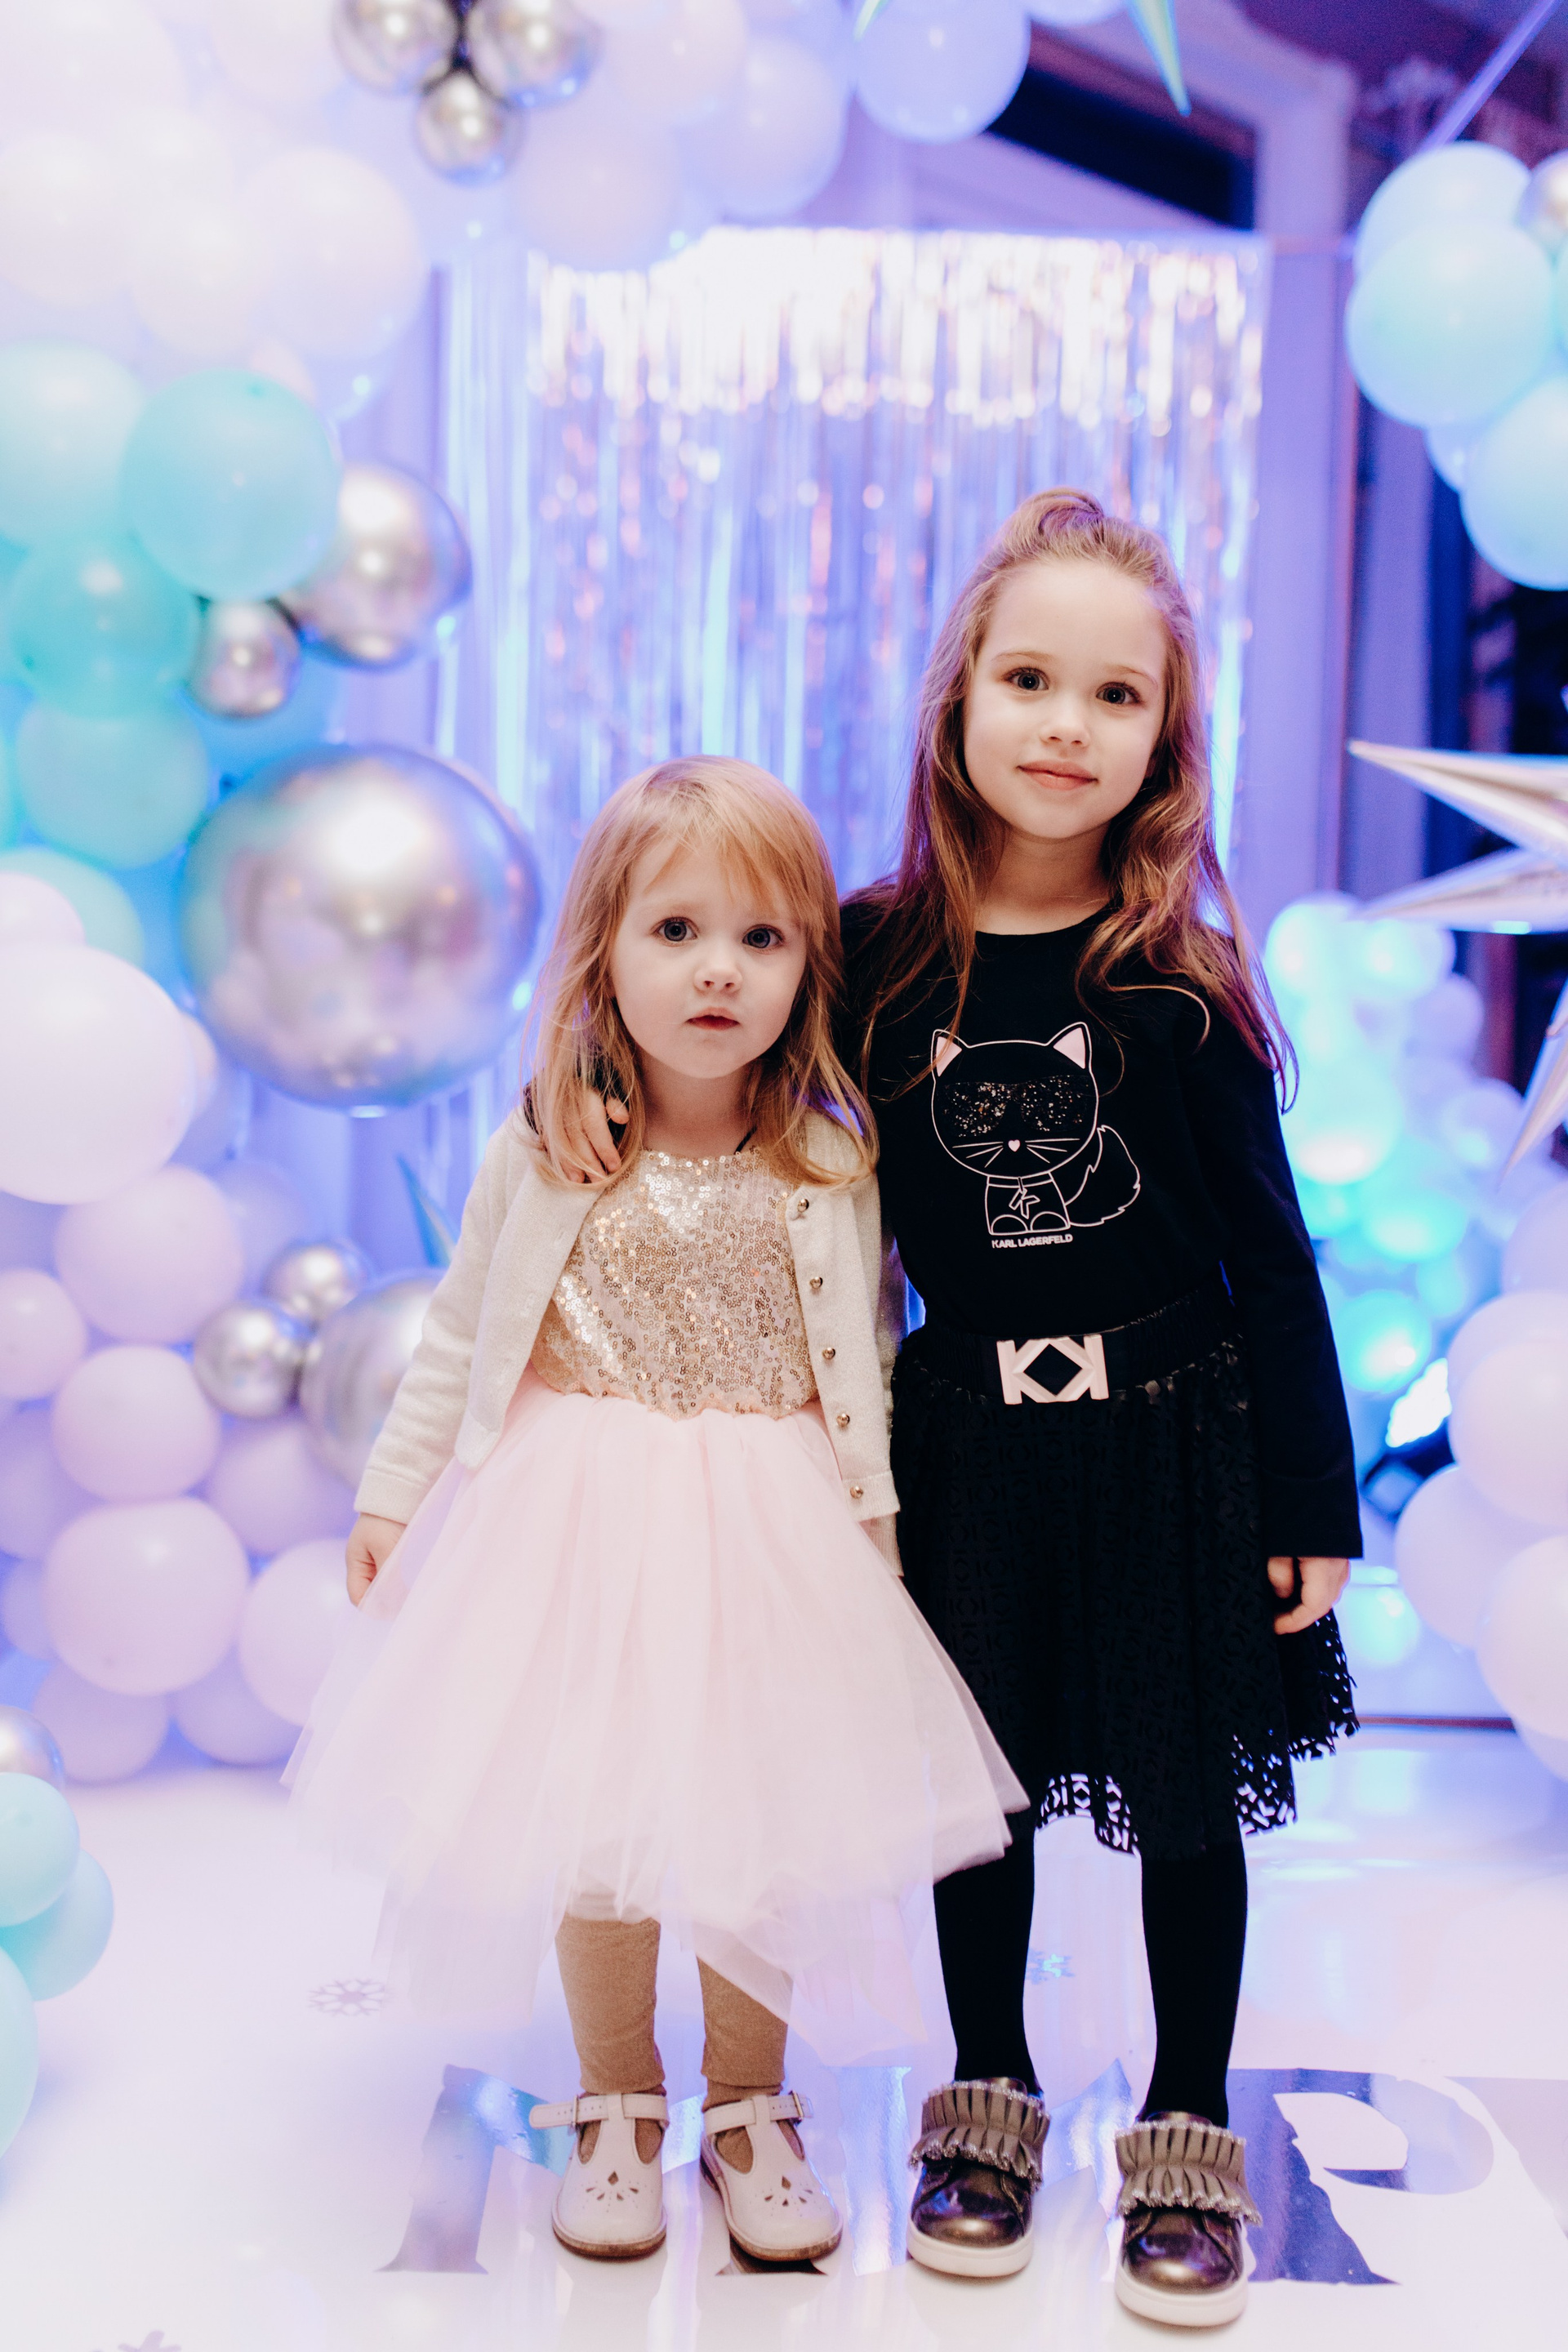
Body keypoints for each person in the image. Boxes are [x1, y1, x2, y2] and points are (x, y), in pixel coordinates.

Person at [564, 492, 1359, 2325]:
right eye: (1029, 680)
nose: (1066, 726)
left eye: (1116, 696)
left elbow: (1274, 1253)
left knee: (1186, 1806)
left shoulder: (1177, 985)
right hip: (961, 1448)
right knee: (970, 1802)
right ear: (958, 701)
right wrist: (599, 1104)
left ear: (1167, 739)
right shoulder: (872, 955)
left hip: (1176, 1434)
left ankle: (1183, 2129)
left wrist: (1310, 1496)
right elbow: (725, 1067)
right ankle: (983, 2104)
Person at [287, 756, 1023, 2272]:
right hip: (578, 1526)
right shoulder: (550, 1145)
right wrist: (394, 1496)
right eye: (676, 930)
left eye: (762, 938)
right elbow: (460, 1336)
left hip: (772, 1530)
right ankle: (615, 2100)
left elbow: (869, 1361)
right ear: (604, 951)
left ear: (808, 966)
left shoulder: (831, 1160)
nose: (717, 971)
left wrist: (882, 1536)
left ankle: (750, 2109)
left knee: (768, 1819)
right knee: (595, 1815)